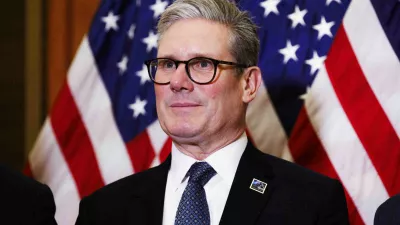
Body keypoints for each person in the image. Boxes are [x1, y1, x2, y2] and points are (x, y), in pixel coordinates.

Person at [75, 0, 349, 224]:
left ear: (248, 84)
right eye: (168, 64)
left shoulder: (311, 203)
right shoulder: (102, 211)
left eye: (202, 64)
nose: (177, 82)